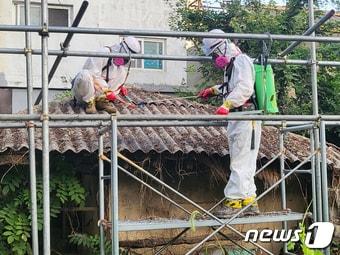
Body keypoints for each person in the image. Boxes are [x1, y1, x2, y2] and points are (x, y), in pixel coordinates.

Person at [198, 29, 262, 217]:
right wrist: (213, 91)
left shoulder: (242, 60)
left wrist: (227, 104)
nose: (215, 58)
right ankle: (250, 201)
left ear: (224, 46)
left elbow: (245, 88)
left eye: (215, 54)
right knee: (245, 160)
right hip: (238, 117)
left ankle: (234, 202)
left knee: (240, 161)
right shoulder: (232, 66)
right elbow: (231, 87)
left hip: (245, 116)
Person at [72, 36, 141, 114]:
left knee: (122, 74)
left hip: (99, 94)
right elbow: (92, 76)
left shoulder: (119, 68)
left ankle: (101, 102)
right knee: (84, 74)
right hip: (84, 93)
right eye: (125, 58)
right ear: (121, 49)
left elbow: (110, 78)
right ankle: (89, 103)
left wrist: (118, 87)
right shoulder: (103, 53)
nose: (125, 61)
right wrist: (105, 89)